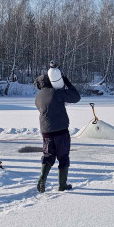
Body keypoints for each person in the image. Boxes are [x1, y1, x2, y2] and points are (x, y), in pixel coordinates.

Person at [34, 62, 81, 192]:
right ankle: (62, 185)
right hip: (60, 130)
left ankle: (42, 178)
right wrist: (67, 83)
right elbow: (76, 97)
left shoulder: (38, 97)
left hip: (45, 131)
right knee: (63, 157)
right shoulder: (56, 92)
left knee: (48, 155)